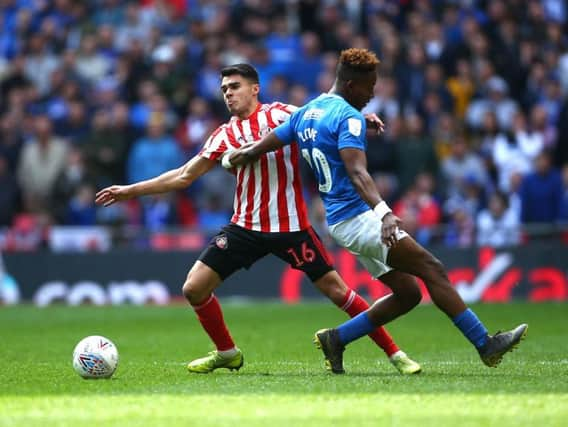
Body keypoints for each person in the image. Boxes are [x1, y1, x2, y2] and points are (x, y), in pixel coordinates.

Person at [96, 63, 421, 375]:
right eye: (224, 89)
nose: (228, 94)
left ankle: (395, 352)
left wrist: (360, 120)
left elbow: (325, 120)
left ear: (255, 89)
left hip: (292, 227)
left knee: (339, 293)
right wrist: (128, 191)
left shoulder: (282, 114)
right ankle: (227, 353)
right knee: (193, 288)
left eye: (235, 87)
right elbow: (183, 176)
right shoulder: (223, 135)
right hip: (245, 227)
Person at [227, 49, 528, 374]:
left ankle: (337, 338)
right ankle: (485, 344)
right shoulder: (348, 116)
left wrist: (246, 153)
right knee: (433, 268)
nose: (372, 95)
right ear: (353, 84)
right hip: (362, 219)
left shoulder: (309, 111)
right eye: (369, 88)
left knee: (409, 293)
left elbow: (275, 139)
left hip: (340, 223)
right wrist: (385, 212)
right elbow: (358, 172)